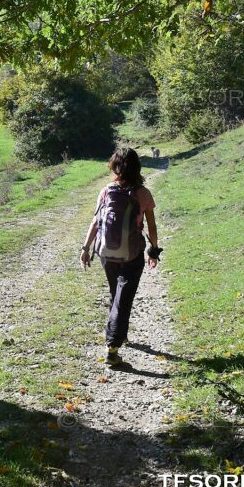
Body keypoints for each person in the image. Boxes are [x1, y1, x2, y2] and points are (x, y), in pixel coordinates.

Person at [79, 147, 162, 367]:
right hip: (132, 254)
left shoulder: (106, 190)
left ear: (115, 166)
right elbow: (151, 225)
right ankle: (113, 346)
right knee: (124, 298)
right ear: (137, 167)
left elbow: (96, 221)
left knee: (117, 293)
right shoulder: (142, 193)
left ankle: (119, 334)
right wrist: (153, 249)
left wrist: (86, 248)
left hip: (106, 253)